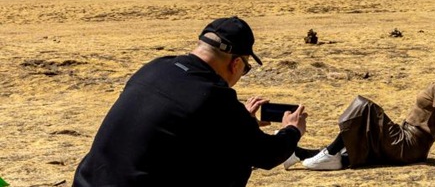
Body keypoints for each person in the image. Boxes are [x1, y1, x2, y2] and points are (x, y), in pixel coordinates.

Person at [72, 16, 308, 187]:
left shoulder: (155, 66)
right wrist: (291, 130)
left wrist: (240, 123)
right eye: (245, 68)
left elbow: (175, 125)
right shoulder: (214, 96)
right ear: (235, 63)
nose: (241, 74)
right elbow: (265, 155)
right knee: (233, 160)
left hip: (88, 180)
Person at [286, 46, 435, 172]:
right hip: (408, 142)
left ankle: (328, 154)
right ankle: (299, 154)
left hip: (408, 145)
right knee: (355, 146)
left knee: (364, 107)